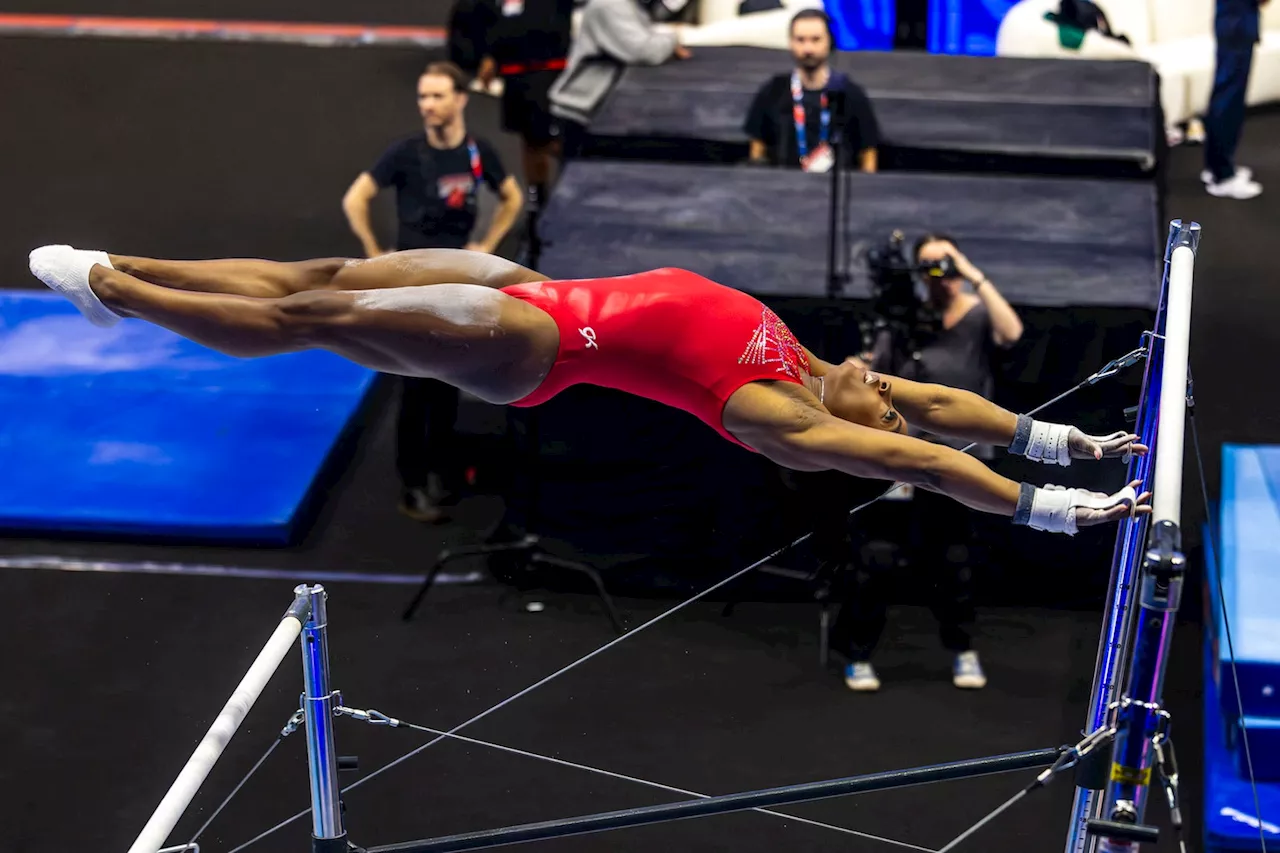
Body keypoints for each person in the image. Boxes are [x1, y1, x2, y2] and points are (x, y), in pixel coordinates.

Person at [28, 246, 1151, 546]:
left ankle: (119, 291)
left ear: (842, 435)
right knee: (317, 277)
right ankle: (135, 272)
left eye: (884, 405)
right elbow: (950, 421)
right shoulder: (825, 374)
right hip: (533, 286)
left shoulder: (779, 416)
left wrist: (1042, 510)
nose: (889, 388)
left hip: (529, 342)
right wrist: (1068, 443)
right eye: (891, 392)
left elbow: (920, 459)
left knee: (312, 325)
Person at [831, 235, 1023, 693]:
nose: (937, 272)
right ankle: (857, 653)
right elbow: (874, 377)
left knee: (954, 562)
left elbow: (1012, 334)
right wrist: (857, 371)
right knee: (877, 559)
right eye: (928, 264)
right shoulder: (905, 321)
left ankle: (963, 649)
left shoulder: (977, 313)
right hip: (903, 458)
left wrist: (971, 272)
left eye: (945, 262)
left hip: (961, 459)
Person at [342, 61, 524, 522]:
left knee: (451, 378)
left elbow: (512, 197)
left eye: (437, 96)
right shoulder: (405, 153)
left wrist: (486, 245)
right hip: (411, 284)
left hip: (458, 280)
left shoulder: (477, 153)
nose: (427, 105)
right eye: (423, 96)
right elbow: (355, 197)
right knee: (414, 382)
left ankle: (442, 468)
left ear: (461, 99)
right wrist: (374, 253)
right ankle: (413, 482)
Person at [471, 0, 576, 249]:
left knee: (553, 144)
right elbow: (496, 21)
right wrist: (491, 56)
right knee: (529, 143)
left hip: (549, 76)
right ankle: (537, 204)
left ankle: (569, 201)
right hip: (516, 79)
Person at [548, 0, 690, 159]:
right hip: (581, 113)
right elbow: (644, 51)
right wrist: (673, 39)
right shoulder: (609, 5)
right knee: (585, 177)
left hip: (599, 110)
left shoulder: (628, 5)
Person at [744, 9, 878, 173]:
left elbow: (868, 153)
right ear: (790, 42)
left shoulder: (849, 93)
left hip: (836, 191)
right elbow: (757, 149)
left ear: (829, 41)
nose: (808, 48)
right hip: (781, 189)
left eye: (816, 40)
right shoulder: (773, 91)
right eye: (800, 40)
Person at [1202, 0, 1267, 199]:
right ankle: (1222, 175)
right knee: (1229, 99)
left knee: (1225, 94)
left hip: (1233, 22)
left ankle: (1216, 166)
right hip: (1237, 23)